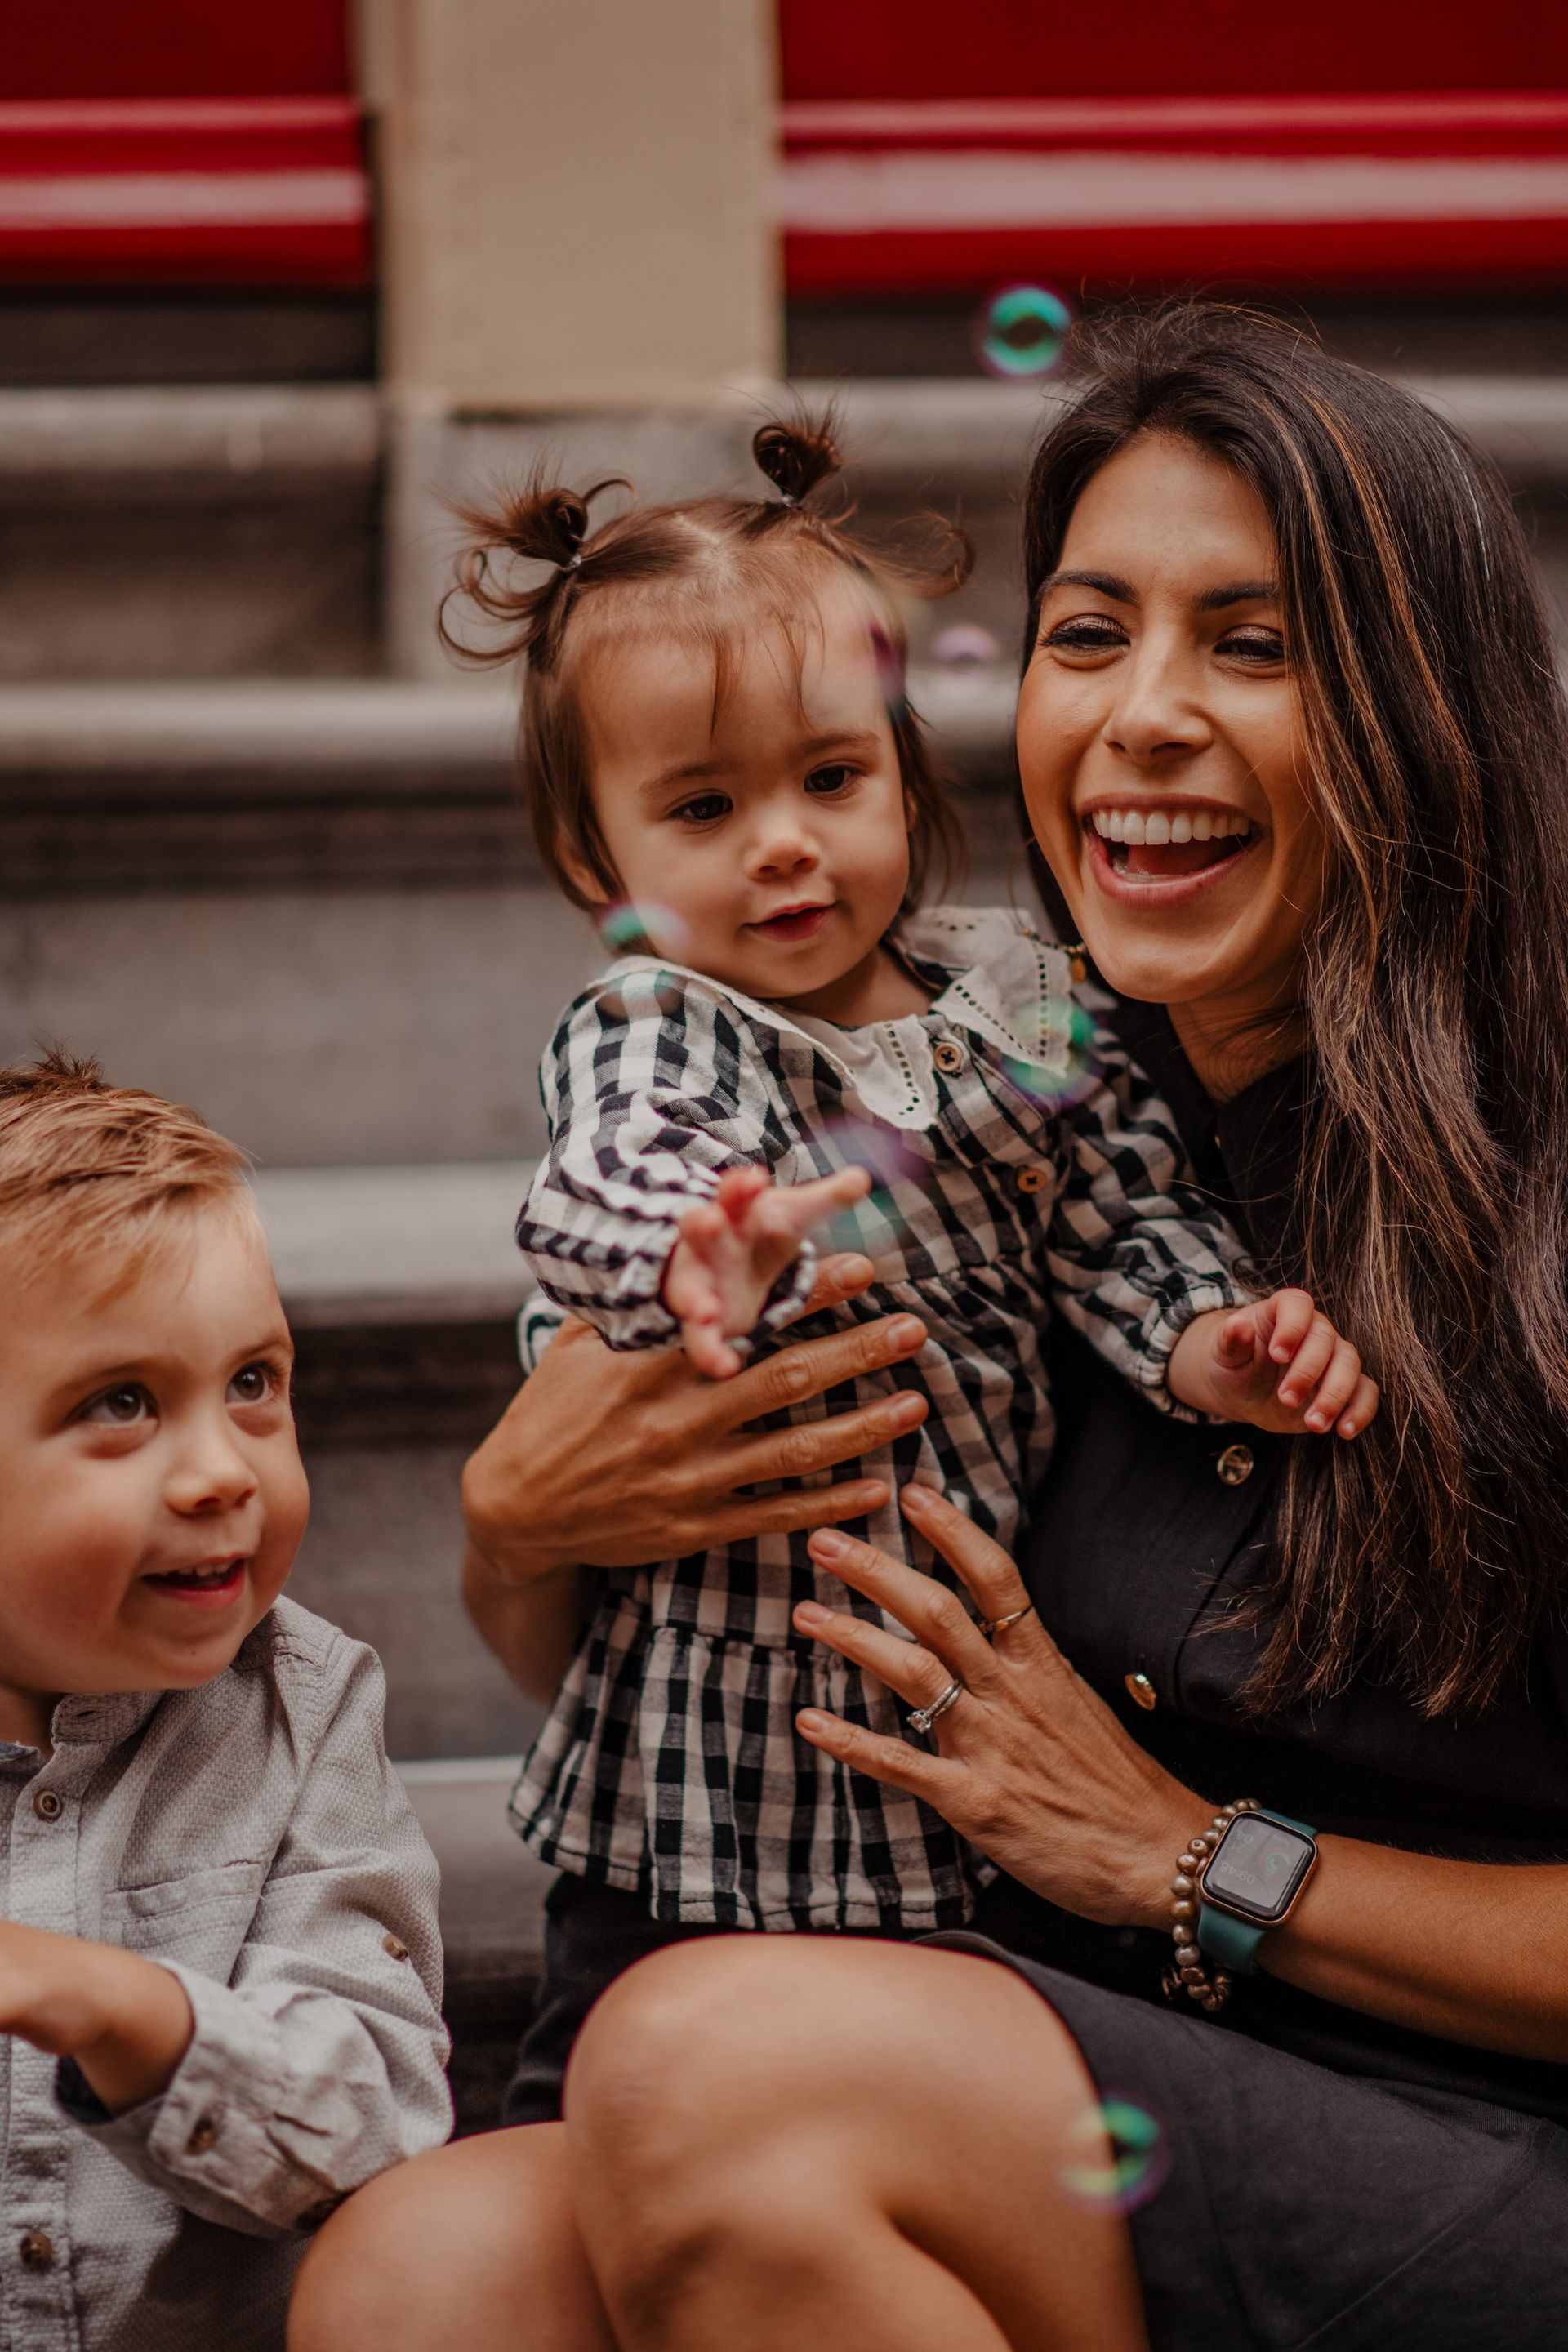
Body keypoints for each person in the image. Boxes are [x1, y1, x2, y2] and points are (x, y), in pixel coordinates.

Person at [290, 305, 1568, 2352]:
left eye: (1251, 644)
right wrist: (521, 1527)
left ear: (1427, 710)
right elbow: (672, 1624)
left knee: (713, 2065)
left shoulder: (1518, 1198)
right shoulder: (1000, 1098)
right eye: (1089, 634)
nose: (1143, 716)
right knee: (417, 2276)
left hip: (1453, 2121)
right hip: (1049, 2034)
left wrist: (1186, 1854)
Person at [449, 417, 1369, 2111]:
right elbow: (611, 1166)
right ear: (597, 864)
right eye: (704, 806)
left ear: (904, 773)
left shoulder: (1009, 1003)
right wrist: (697, 1250)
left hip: (957, 1769)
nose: (784, 843)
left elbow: (1118, 1215)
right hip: (714, 1788)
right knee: (629, 2110)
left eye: (831, 779)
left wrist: (1213, 1345)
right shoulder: (668, 1023)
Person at [0, 1053, 452, 2351]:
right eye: (122, 1403)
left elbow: (380, 2143)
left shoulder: (302, 1712)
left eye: (254, 1383)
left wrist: (123, 2010)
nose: (222, 1474)